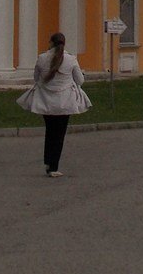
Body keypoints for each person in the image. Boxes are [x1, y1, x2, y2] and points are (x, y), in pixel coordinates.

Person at [17, 32, 91, 177]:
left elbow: (36, 78)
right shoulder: (71, 60)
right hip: (65, 102)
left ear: (51, 42)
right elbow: (80, 81)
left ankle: (48, 161)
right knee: (59, 134)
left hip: (46, 101)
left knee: (50, 131)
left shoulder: (42, 58)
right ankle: (54, 166)